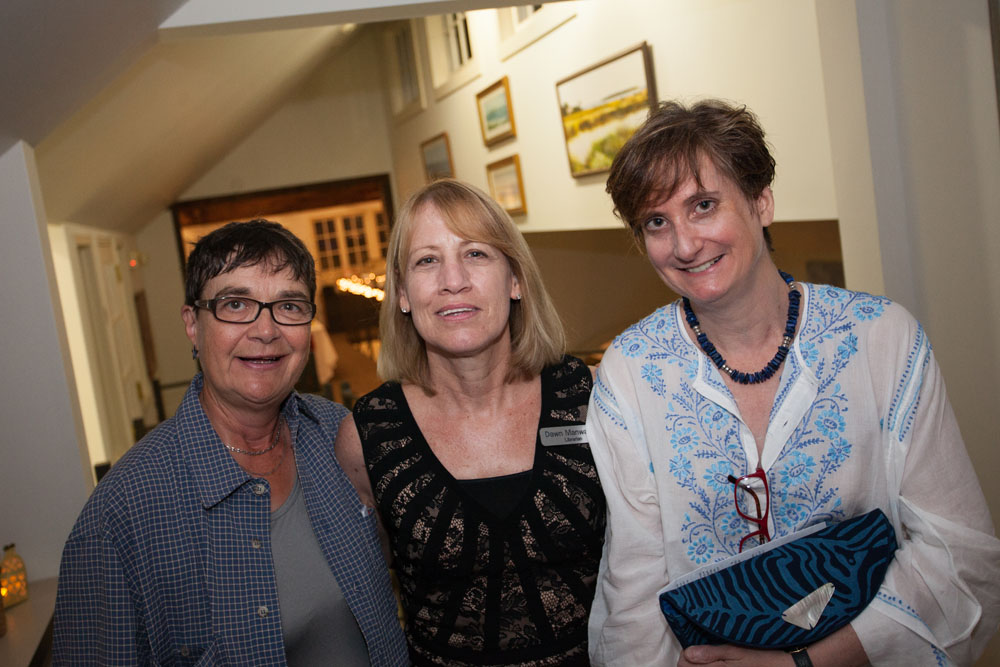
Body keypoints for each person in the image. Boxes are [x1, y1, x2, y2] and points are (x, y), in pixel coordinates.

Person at [586, 99, 1000, 666]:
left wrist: (804, 663)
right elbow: (633, 589)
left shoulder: (881, 339)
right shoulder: (630, 371)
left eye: (703, 206)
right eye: (657, 222)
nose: (683, 245)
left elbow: (961, 558)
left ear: (761, 201)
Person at [53, 220, 408, 666]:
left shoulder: (342, 436)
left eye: (289, 306)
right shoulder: (120, 518)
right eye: (236, 304)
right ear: (191, 324)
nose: (265, 330)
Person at [335, 179, 605, 666]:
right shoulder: (367, 436)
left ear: (515, 279)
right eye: (426, 260)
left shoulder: (594, 398)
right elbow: (365, 603)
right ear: (401, 293)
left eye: (476, 254)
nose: (452, 280)